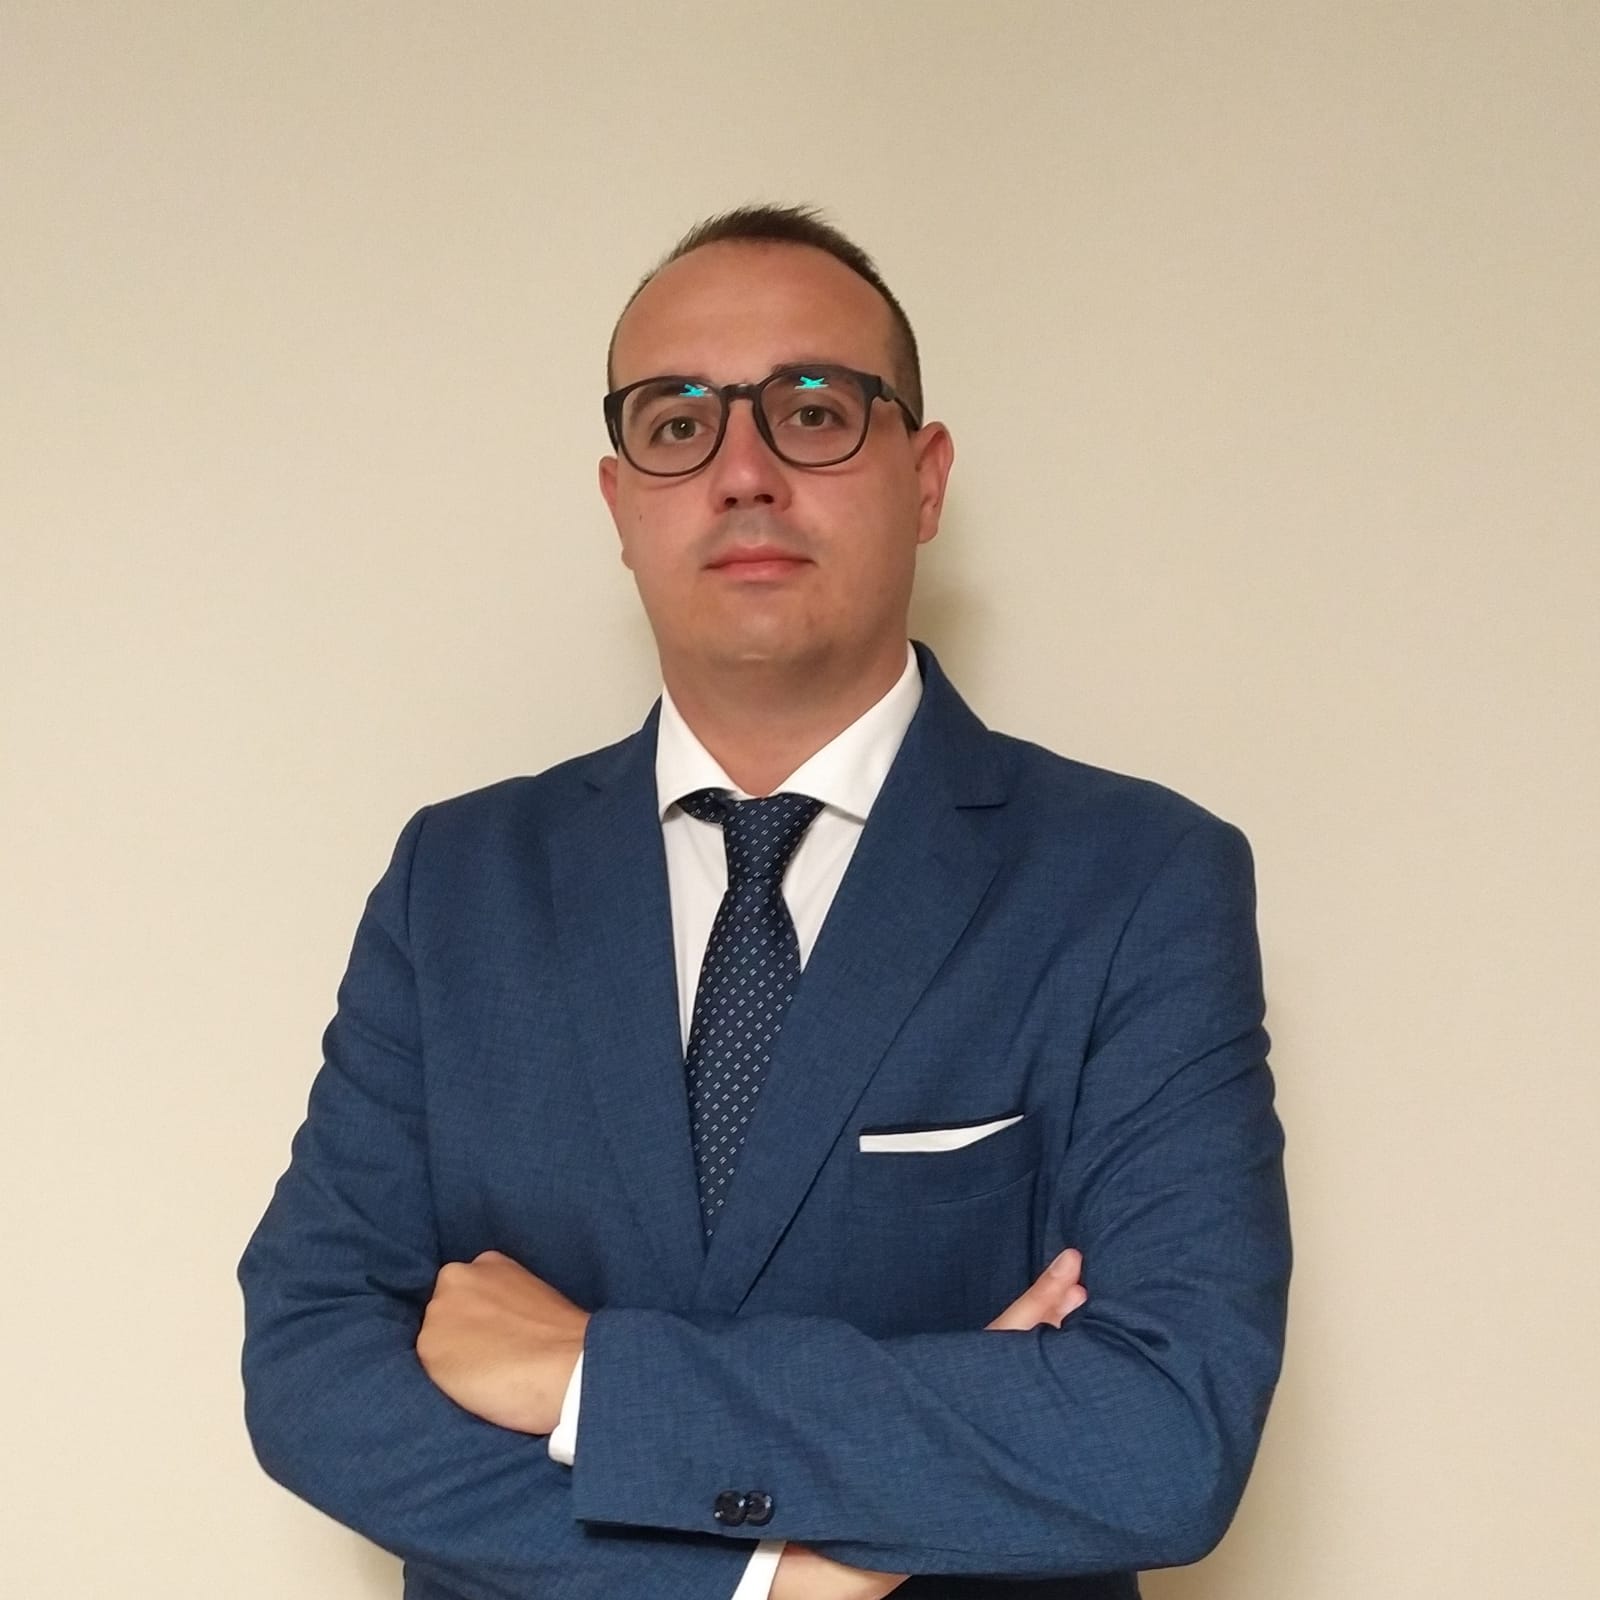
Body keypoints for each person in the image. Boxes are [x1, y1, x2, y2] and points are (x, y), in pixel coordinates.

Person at [239, 204, 1291, 1600]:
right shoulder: (461, 881)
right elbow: (313, 1363)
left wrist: (593, 1377)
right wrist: (766, 1576)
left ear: (925, 478)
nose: (743, 471)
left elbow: (1161, 1435)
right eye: (679, 423)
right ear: (621, 504)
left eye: (812, 411)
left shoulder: (1138, 879)